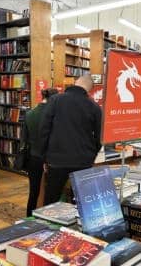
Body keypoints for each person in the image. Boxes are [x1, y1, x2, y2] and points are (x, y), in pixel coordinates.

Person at [40, 75, 102, 205]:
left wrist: (44, 156)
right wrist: (92, 154)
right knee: (80, 201)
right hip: (83, 160)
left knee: (51, 199)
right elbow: (99, 137)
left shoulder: (55, 100)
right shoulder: (94, 107)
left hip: (57, 159)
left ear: (75, 83)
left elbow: (44, 130)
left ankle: (46, 224)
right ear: (89, 89)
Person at [23, 88, 59, 216]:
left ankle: (29, 217)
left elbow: (24, 138)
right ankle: (48, 218)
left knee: (34, 191)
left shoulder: (30, 114)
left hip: (33, 156)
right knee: (51, 193)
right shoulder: (54, 115)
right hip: (51, 158)